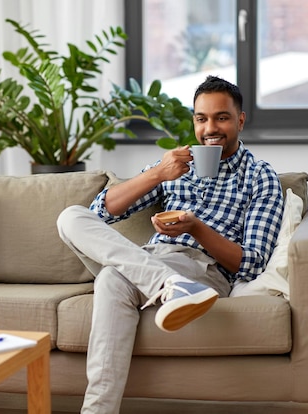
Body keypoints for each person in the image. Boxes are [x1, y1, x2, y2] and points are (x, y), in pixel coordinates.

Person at [56, 75, 284, 414]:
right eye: (201, 118)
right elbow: (100, 212)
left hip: (201, 270)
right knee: (70, 217)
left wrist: (196, 227)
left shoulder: (259, 176)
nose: (210, 128)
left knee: (111, 279)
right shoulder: (176, 164)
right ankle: (168, 285)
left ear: (240, 119)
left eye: (221, 117)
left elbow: (250, 262)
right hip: (148, 259)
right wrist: (157, 175)